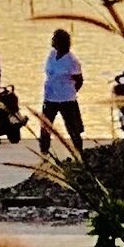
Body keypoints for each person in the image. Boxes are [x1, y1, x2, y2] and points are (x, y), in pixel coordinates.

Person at [40, 28, 88, 158]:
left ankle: (79, 154)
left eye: (55, 39)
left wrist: (69, 91)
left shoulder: (72, 61)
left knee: (73, 129)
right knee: (45, 127)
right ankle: (44, 153)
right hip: (49, 98)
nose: (52, 41)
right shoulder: (51, 54)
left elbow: (79, 80)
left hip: (67, 100)